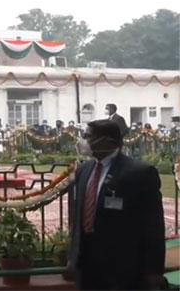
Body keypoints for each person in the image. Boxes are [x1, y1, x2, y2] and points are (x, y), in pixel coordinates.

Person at [68, 119, 165, 290]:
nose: (82, 140)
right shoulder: (84, 170)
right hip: (87, 262)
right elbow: (78, 217)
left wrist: (154, 269)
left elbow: (153, 225)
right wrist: (73, 255)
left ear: (108, 140)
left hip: (123, 265)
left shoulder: (139, 173)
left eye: (88, 136)